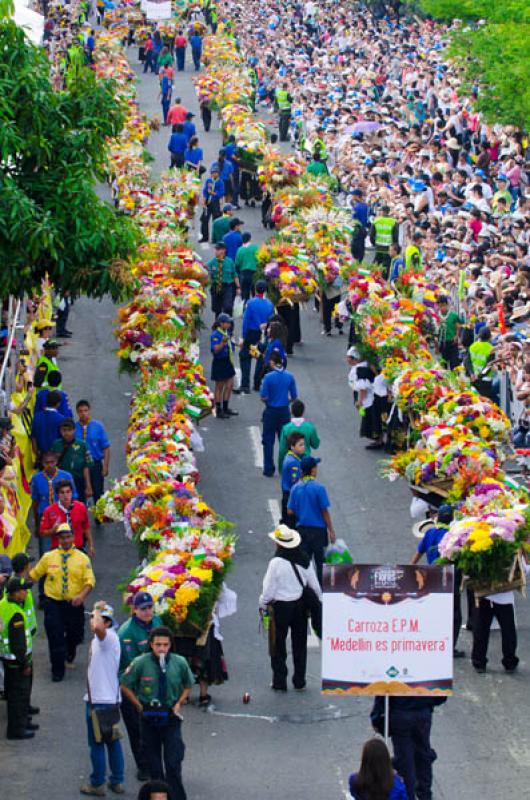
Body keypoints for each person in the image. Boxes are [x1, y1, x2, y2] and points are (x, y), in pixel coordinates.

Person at [121, 626, 195, 800]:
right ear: (151, 645)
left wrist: (179, 703)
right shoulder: (141, 662)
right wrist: (138, 705)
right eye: (158, 645)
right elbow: (125, 684)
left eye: (165, 645)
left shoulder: (179, 662)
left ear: (170, 645)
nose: (162, 648)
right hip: (148, 718)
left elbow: (188, 684)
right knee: (154, 766)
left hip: (170, 718)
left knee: (173, 763)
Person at [259, 525, 321, 691]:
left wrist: (263, 604)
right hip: (300, 606)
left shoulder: (276, 563)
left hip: (281, 608)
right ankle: (299, 680)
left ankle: (280, 681)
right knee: (299, 644)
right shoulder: (304, 559)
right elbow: (314, 585)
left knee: (278, 645)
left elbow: (268, 590)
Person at [30, 525, 95, 681]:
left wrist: (81, 596)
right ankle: (57, 670)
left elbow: (90, 581)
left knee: (76, 635)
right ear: (57, 539)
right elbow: (34, 575)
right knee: (55, 637)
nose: (65, 540)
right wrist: (19, 584)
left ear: (73, 538)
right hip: (53, 604)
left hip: (74, 604)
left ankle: (69, 652)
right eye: (62, 538)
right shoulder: (48, 557)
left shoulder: (82, 558)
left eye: (68, 537)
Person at [80, 602, 125, 797]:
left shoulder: (106, 639)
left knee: (97, 744)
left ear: (106, 622)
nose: (92, 620)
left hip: (99, 701)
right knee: (113, 742)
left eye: (96, 617)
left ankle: (98, 783)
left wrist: (97, 609)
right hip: (110, 700)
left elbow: (97, 627)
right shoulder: (106, 640)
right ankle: (117, 780)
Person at [118, 592, 162, 783]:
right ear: (135, 610)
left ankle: (155, 764)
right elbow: (129, 666)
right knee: (137, 730)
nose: (148, 612)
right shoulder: (126, 633)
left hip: (155, 686)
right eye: (143, 609)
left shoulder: (158, 622)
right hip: (133, 689)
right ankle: (143, 766)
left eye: (150, 607)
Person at [411, 505, 463, 658]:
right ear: (452, 518)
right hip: (449, 577)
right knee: (454, 614)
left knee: (436, 612)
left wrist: (409, 570)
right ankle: (450, 648)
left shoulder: (429, 533)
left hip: (432, 576)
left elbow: (417, 554)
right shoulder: (453, 535)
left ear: (437, 518)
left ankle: (434, 643)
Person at [371, 695, 447, 800]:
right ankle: (425, 794)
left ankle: (409, 795)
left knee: (405, 760)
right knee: (423, 755)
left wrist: (376, 718)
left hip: (400, 714)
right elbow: (440, 694)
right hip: (422, 713)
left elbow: (384, 690)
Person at [287, 456, 336, 585]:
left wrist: (302, 511)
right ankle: (321, 591)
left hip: (302, 531)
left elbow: (290, 511)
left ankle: (307, 591)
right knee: (321, 565)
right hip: (319, 533)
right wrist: (331, 530)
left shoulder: (295, 488)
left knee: (305, 565)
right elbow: (324, 511)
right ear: (313, 470)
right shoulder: (319, 488)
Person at [0, 576, 35, 740]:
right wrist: (26, 663)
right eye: (23, 590)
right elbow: (18, 644)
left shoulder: (3, 605)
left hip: (7, 659)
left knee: (15, 695)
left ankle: (22, 722)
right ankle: (16, 730)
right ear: (15, 593)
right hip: (17, 661)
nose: (26, 593)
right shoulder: (16, 614)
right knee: (18, 696)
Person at [260, 352, 297, 477]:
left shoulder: (268, 377)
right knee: (285, 441)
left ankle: (268, 469)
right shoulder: (290, 376)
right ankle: (285, 467)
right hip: (284, 411)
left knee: (268, 441)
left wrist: (270, 400)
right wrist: (286, 401)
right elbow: (294, 396)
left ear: (272, 362)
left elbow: (263, 396)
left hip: (271, 411)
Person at [238, 279, 274, 394]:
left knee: (245, 357)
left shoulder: (251, 303)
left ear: (255, 290)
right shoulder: (269, 304)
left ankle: (245, 384)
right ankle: (257, 383)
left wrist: (243, 337)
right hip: (263, 335)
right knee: (261, 358)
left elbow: (246, 321)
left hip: (251, 333)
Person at [40, 482, 94, 556]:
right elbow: (43, 532)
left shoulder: (81, 507)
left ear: (72, 493)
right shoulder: (49, 511)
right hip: (58, 551)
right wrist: (52, 530)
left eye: (68, 492)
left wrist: (91, 545)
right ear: (58, 495)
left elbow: (86, 527)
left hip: (78, 549)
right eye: (62, 493)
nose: (66, 496)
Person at [75, 400, 111, 506]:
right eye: (80, 411)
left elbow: (106, 447)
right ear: (77, 412)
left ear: (89, 411)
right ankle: (81, 516)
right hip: (80, 465)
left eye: (85, 410)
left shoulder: (98, 426)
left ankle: (98, 515)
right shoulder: (74, 428)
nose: (83, 413)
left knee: (98, 491)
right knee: (80, 492)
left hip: (95, 464)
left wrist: (105, 466)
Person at [51, 417, 93, 503]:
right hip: (61, 481)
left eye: (69, 430)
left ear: (74, 430)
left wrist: (88, 486)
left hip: (78, 480)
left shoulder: (82, 445)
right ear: (60, 431)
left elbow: (86, 467)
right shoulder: (56, 445)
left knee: (79, 504)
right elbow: (52, 464)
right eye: (64, 430)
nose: (66, 433)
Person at [278, 399, 320, 469]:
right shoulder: (310, 427)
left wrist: (281, 467)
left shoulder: (286, 428)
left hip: (291, 462)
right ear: (303, 412)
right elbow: (316, 445)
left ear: (291, 412)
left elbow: (282, 450)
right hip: (306, 462)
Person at [210, 314, 238, 419]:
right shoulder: (216, 335)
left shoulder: (227, 332)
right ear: (221, 323)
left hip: (228, 361)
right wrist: (222, 342)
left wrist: (238, 344)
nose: (229, 324)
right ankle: (218, 409)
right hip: (219, 362)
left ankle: (226, 408)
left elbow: (231, 344)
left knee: (230, 385)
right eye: (227, 322)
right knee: (219, 387)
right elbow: (215, 350)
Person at [31, 389, 66, 458]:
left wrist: (37, 453)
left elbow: (33, 438)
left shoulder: (37, 416)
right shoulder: (61, 419)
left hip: (41, 456)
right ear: (58, 403)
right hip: (56, 457)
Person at [280, 431, 304, 523]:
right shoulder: (293, 462)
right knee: (291, 524)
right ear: (292, 446)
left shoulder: (291, 457)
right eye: (300, 445)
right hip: (291, 495)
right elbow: (295, 481)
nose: (303, 447)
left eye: (303, 444)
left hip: (288, 494)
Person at [370, 206, 399, 278]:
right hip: (388, 249)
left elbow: (371, 235)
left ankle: (372, 279)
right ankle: (383, 282)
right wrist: (394, 248)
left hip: (378, 247)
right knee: (386, 267)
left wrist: (374, 243)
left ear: (382, 211)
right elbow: (395, 237)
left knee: (376, 265)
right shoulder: (393, 222)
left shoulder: (376, 221)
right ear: (389, 212)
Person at [200, 165, 225, 242]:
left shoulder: (220, 182)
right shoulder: (208, 181)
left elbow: (221, 193)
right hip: (208, 202)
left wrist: (213, 193)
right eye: (213, 172)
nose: (214, 174)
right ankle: (205, 237)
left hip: (216, 202)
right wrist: (204, 201)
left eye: (216, 173)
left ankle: (216, 238)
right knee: (204, 220)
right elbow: (205, 191)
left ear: (218, 174)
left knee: (216, 221)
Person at [437, 295, 463, 370]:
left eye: (444, 305)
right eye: (440, 306)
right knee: (443, 364)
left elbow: (458, 327)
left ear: (447, 304)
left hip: (452, 343)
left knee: (454, 364)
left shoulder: (453, 315)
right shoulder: (436, 316)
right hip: (442, 343)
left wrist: (456, 336)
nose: (442, 308)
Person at [235, 232, 258, 301]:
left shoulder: (240, 250)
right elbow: (259, 259)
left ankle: (245, 307)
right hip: (254, 273)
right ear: (250, 239)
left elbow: (237, 263)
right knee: (255, 292)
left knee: (245, 293)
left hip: (244, 273)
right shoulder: (254, 248)